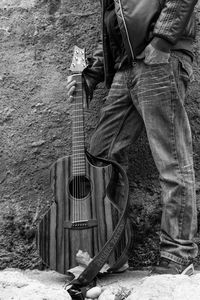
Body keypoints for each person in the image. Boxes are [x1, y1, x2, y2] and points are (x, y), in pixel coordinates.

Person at [67, 0, 198, 275]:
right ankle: (113, 251)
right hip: (126, 68)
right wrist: (91, 73)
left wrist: (162, 42)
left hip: (160, 58)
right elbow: (117, 31)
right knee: (100, 156)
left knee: (171, 158)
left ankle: (178, 254)